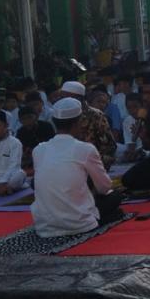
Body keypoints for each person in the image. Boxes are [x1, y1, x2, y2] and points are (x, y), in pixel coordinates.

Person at [31, 98, 123, 238]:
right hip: (80, 224)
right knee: (115, 195)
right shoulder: (85, 149)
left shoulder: (38, 150)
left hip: (44, 226)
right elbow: (104, 187)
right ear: (78, 122)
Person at [59, 81, 117, 169]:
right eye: (62, 97)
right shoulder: (61, 114)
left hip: (93, 165)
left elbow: (110, 146)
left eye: (65, 97)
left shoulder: (97, 115)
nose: (62, 101)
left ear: (79, 98)